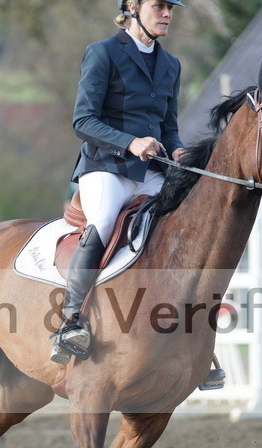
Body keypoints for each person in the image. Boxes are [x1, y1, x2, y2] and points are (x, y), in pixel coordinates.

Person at [50, 0, 188, 364]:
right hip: (106, 167)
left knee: (185, 224)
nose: (167, 14)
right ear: (132, 6)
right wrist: (130, 142)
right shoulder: (103, 53)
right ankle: (71, 320)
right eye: (159, 6)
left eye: (171, 8)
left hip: (153, 173)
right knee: (104, 221)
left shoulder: (171, 65)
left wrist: (178, 152)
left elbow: (169, 127)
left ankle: (187, 330)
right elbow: (83, 121)